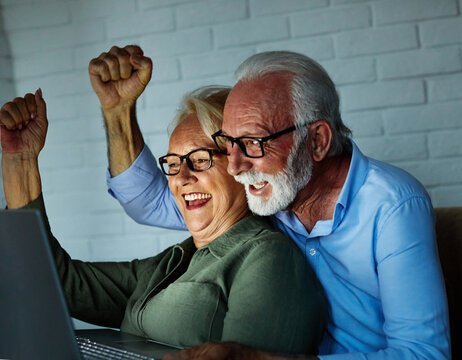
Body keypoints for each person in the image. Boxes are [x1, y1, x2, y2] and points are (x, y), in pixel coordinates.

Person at [101, 48, 451, 359]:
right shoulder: (267, 190)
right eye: (229, 143)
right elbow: (150, 202)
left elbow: (424, 353)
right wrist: (119, 112)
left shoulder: (393, 204)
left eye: (254, 143)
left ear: (317, 140)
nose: (236, 166)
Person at [0, 86, 327, 355]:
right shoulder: (170, 263)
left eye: (200, 160)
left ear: (242, 166)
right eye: (172, 163)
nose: (181, 177)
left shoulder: (267, 257)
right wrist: (20, 162)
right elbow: (59, 283)